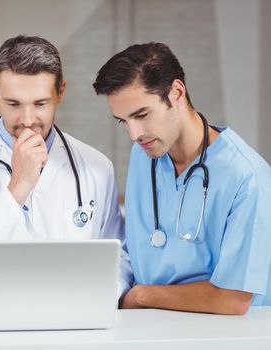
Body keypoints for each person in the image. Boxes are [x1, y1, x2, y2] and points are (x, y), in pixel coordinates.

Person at [0, 35, 132, 311]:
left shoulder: (95, 167)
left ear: (60, 92)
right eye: (13, 104)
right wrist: (17, 189)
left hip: (73, 323)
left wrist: (99, 298)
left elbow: (118, 258)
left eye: (40, 104)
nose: (27, 119)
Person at [93, 42, 271, 314]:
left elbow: (233, 299)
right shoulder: (144, 153)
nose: (134, 133)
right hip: (145, 328)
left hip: (221, 335)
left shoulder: (247, 177)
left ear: (176, 92)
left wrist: (141, 296)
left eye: (141, 115)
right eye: (123, 121)